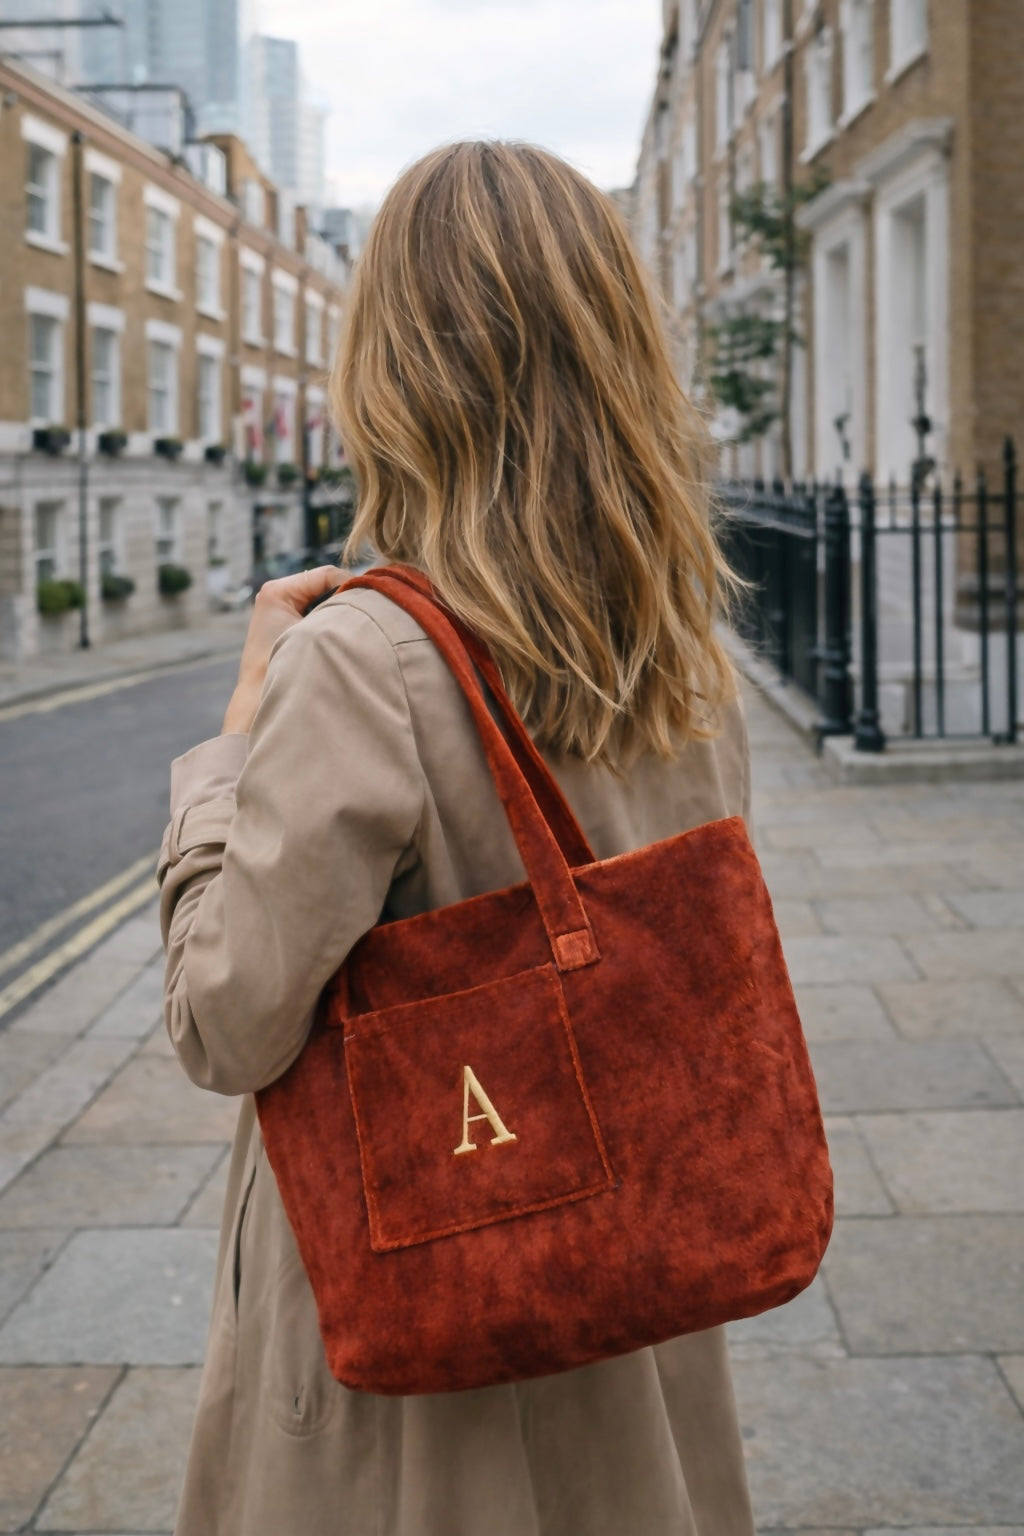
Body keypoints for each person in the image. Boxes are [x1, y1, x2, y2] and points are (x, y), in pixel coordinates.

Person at [159, 140, 755, 1536]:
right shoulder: (681, 649)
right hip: (632, 1314)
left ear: (397, 363)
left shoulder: (363, 659)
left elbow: (225, 1026)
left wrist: (230, 750)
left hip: (418, 1373)